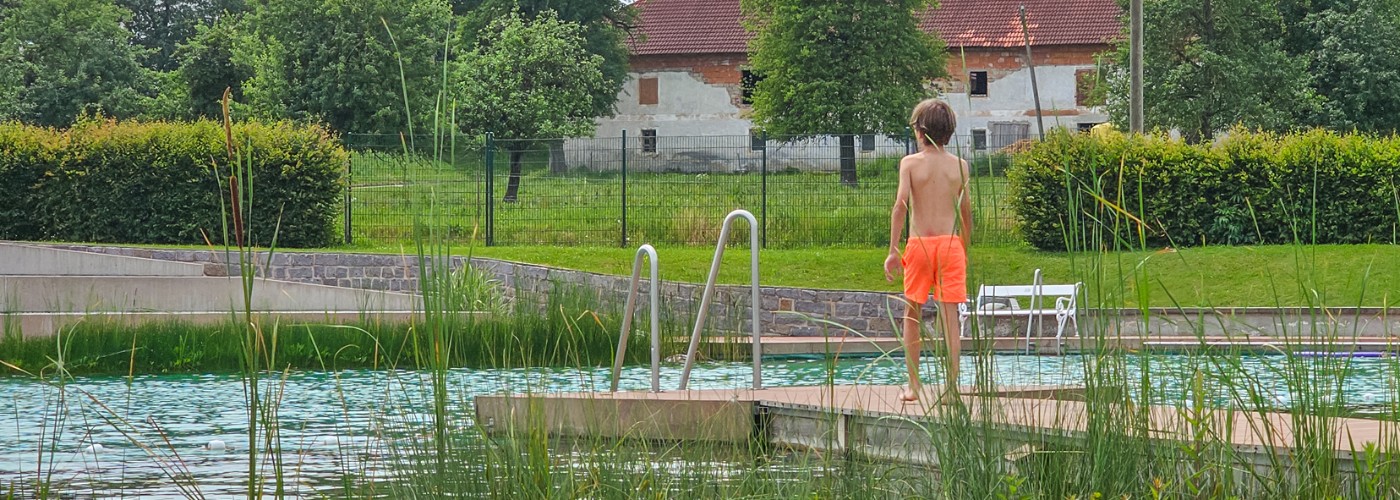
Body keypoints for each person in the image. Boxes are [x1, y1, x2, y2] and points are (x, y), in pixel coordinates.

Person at [883, 99, 972, 404]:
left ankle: (913, 386)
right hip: (950, 246)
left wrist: (894, 250)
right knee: (950, 318)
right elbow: (966, 212)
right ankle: (950, 387)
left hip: (919, 246)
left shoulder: (910, 163)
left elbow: (900, 206)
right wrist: (965, 246)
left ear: (920, 131)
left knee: (912, 315)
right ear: (949, 131)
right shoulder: (960, 166)